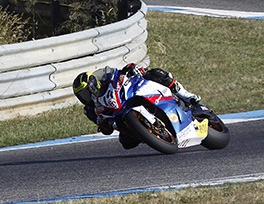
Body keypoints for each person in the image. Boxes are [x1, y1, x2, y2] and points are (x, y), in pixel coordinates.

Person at [72, 63, 201, 149]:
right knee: (126, 143)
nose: (84, 97)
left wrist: (132, 69)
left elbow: (122, 71)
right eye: (81, 95)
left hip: (130, 97)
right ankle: (148, 134)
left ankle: (185, 94)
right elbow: (105, 129)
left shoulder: (106, 79)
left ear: (93, 85)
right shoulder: (89, 109)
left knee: (154, 73)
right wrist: (105, 125)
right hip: (121, 118)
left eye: (84, 93)